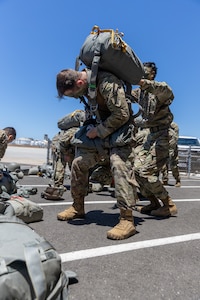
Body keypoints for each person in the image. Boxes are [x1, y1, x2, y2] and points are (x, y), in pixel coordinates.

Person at [56, 68, 138, 240]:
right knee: (79, 163)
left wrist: (98, 131)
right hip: (102, 132)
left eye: (73, 94)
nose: (75, 97)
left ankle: (127, 219)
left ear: (79, 83)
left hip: (121, 132)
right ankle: (77, 207)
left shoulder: (107, 81)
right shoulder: (87, 87)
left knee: (118, 165)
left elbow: (122, 113)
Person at [132, 62, 177, 217]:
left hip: (164, 134)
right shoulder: (139, 93)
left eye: (145, 72)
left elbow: (167, 91)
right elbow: (125, 95)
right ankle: (153, 203)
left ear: (152, 75)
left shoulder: (159, 90)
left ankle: (168, 204)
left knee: (146, 171)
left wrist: (144, 83)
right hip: (150, 134)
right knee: (136, 171)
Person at [161, 121, 181, 187]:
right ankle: (165, 179)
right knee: (163, 165)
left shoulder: (173, 125)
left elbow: (175, 138)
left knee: (174, 166)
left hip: (173, 148)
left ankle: (178, 180)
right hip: (164, 147)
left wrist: (171, 151)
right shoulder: (161, 124)